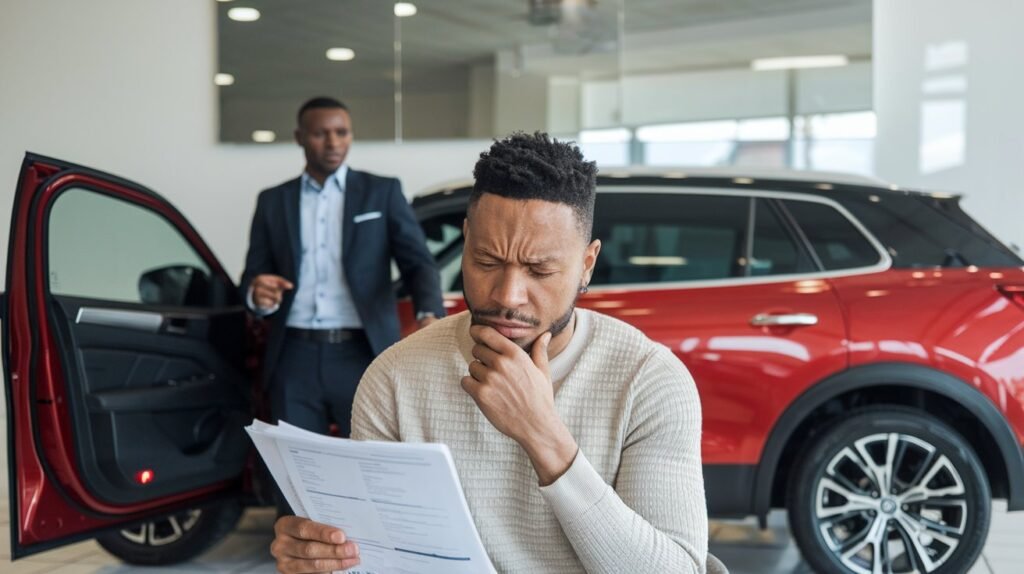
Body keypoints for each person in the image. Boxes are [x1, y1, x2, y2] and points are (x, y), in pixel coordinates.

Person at [269, 132, 708, 573]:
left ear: (586, 265)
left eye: (540, 270)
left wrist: (543, 436)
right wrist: (325, 560)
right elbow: (383, 561)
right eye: (487, 262)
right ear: (465, 241)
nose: (508, 295)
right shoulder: (395, 376)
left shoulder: (648, 380)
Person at [240, 96, 444, 444]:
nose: (334, 142)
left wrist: (429, 313)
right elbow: (254, 273)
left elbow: (418, 262)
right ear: (299, 137)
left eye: (342, 132)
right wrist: (257, 294)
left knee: (372, 463)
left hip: (363, 352)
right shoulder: (273, 200)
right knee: (297, 469)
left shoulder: (381, 192)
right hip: (294, 355)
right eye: (321, 133)